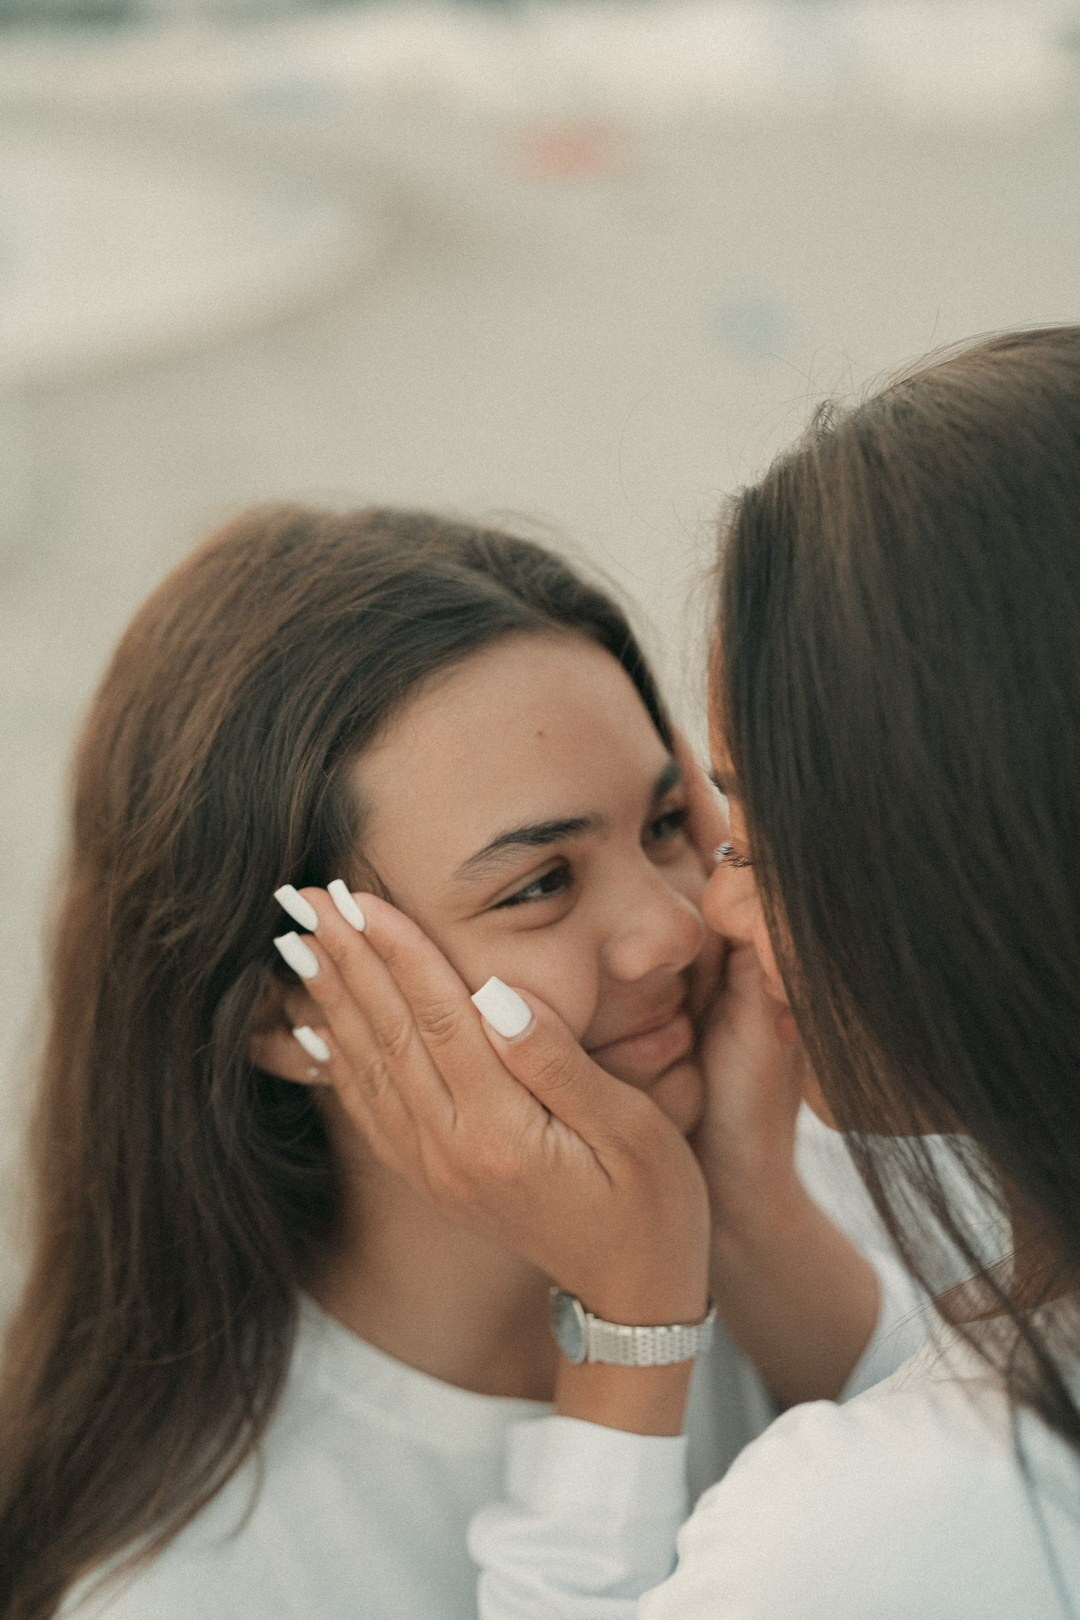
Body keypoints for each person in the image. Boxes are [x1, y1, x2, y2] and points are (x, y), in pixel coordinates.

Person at [279, 326, 1080, 1618]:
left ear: (975, 847)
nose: (695, 921)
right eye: (540, 883)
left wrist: (635, 1326)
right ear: (291, 994)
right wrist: (742, 1209)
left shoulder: (876, 1516)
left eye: (719, 831)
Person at [0, 506, 920, 1620]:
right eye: (539, 886)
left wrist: (750, 1206)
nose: (673, 930)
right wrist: (633, 1326)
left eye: (666, 822)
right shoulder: (198, 1580)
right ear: (286, 1015)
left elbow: (1011, 1514)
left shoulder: (817, 1166)